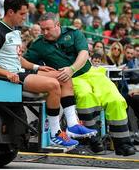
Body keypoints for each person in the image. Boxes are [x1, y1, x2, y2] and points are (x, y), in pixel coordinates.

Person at [0, 0, 97, 148]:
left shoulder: (14, 30)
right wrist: (8, 74)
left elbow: (17, 59)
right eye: (22, 14)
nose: (25, 17)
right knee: (53, 85)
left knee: (64, 75)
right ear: (10, 12)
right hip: (10, 77)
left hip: (20, 70)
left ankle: (72, 125)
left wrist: (37, 67)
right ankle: (55, 133)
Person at [24, 12, 136, 156]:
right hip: (70, 80)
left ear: (57, 25)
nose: (45, 32)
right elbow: (25, 61)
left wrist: (71, 69)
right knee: (86, 98)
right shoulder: (39, 45)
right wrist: (37, 67)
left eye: (48, 29)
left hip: (90, 72)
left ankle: (123, 144)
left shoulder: (74, 33)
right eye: (42, 29)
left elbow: (83, 54)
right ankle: (94, 142)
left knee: (116, 99)